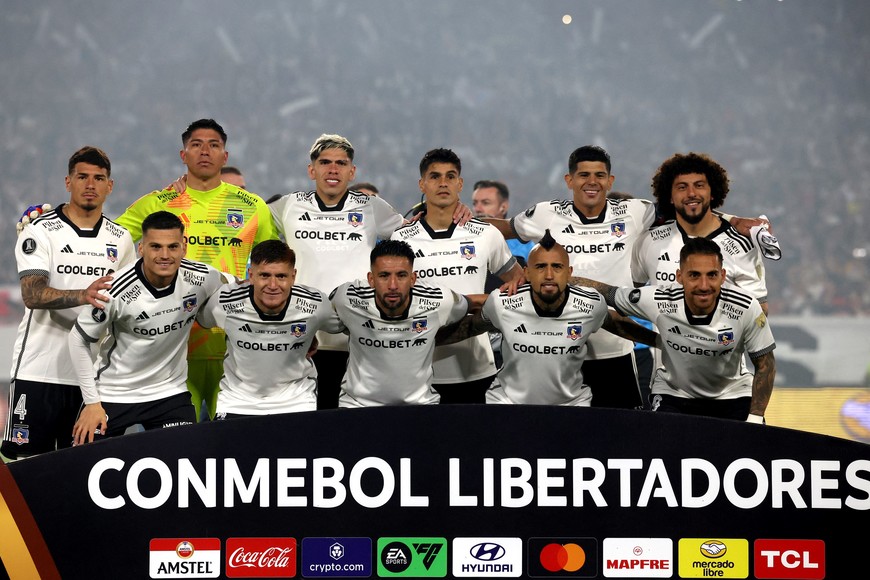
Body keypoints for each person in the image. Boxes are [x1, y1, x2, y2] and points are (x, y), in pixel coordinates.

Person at [484, 145, 765, 410]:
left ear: (610, 180)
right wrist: (456, 222)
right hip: (557, 347)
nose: (591, 182)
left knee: (620, 432)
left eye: (599, 175)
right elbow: (501, 230)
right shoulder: (546, 213)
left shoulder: (635, 212)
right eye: (583, 175)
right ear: (569, 180)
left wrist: (731, 219)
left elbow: (689, 207)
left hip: (614, 348)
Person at [268, 134, 471, 410]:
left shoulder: (371, 207)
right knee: (302, 425)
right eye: (325, 162)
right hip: (302, 340)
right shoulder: (287, 206)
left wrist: (454, 210)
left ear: (352, 172)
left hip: (359, 342)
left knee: (346, 427)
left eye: (341, 163)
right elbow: (246, 222)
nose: (333, 169)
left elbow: (417, 232)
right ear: (311, 170)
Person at [115, 119, 279, 421]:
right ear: (183, 155)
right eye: (196, 145)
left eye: (214, 145)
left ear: (225, 157)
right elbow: (108, 240)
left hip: (235, 343)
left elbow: (273, 267)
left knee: (235, 441)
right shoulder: (158, 203)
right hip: (171, 347)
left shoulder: (252, 206)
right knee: (176, 445)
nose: (205, 151)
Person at [1, 146, 136, 460]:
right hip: (39, 371)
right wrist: (81, 295)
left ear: (109, 186)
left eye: (99, 178)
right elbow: (32, 294)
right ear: (68, 182)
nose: (90, 184)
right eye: (82, 177)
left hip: (92, 379)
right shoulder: (40, 230)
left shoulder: (121, 240)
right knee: (28, 470)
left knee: (86, 473)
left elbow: (124, 305)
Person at [438, 231, 657, 406]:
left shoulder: (591, 304)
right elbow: (469, 328)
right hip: (507, 407)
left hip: (571, 409)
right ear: (527, 273)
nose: (549, 275)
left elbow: (617, 324)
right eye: (541, 267)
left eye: (557, 267)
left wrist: (661, 342)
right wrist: (423, 338)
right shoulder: (502, 302)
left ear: (569, 272)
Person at [575, 238, 776, 422]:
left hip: (733, 394)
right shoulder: (660, 299)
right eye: (694, 275)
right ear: (679, 276)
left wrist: (756, 416)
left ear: (723, 276)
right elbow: (609, 294)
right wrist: (563, 280)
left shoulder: (745, 307)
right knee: (663, 447)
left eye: (712, 275)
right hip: (675, 394)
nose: (704, 285)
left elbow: (765, 363)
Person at [69, 211, 226, 444]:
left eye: (173, 247)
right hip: (114, 392)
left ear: (184, 247)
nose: (165, 255)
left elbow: (239, 288)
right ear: (141, 248)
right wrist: (92, 403)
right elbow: (78, 339)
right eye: (156, 247)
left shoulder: (203, 277)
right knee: (82, 465)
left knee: (185, 462)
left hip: (169, 393)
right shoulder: (114, 290)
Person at [391, 149, 523, 403]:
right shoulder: (401, 239)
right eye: (435, 176)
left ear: (460, 184)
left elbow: (520, 284)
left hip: (476, 369)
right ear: (422, 184)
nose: (443, 183)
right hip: (418, 373)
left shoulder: (485, 234)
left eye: (450, 176)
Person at [328, 240, 483, 407]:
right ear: (371, 279)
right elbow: (317, 315)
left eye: (401, 275)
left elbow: (475, 303)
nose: (393, 285)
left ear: (413, 279)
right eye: (384, 276)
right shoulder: (347, 298)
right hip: (357, 405)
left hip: (420, 407)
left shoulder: (440, 300)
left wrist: (508, 299)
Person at [196, 240, 341, 417]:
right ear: (251, 275)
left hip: (296, 400)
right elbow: (203, 319)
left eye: (281, 276)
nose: (273, 286)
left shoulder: (314, 304)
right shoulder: (225, 301)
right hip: (237, 400)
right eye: (264, 275)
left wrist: (310, 334)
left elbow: (342, 325)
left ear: (293, 276)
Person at [632, 152, 780, 315]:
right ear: (670, 197)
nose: (691, 193)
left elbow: (759, 312)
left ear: (712, 193)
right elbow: (632, 297)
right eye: (682, 187)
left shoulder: (741, 244)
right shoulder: (648, 241)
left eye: (699, 185)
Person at [471, 180, 533, 262]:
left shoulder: (524, 244)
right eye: (475, 203)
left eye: (485, 203)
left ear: (503, 207)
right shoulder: (464, 240)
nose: (477, 209)